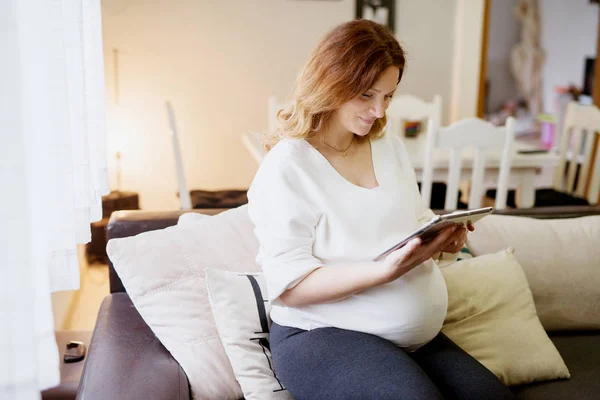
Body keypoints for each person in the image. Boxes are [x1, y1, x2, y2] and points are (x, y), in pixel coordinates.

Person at [247, 19, 516, 400]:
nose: (379, 110)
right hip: (321, 334)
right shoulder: (288, 165)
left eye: (388, 96)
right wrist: (382, 272)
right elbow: (287, 287)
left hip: (409, 338)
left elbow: (413, 223)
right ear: (331, 84)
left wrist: (441, 243)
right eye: (367, 96)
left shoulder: (387, 145)